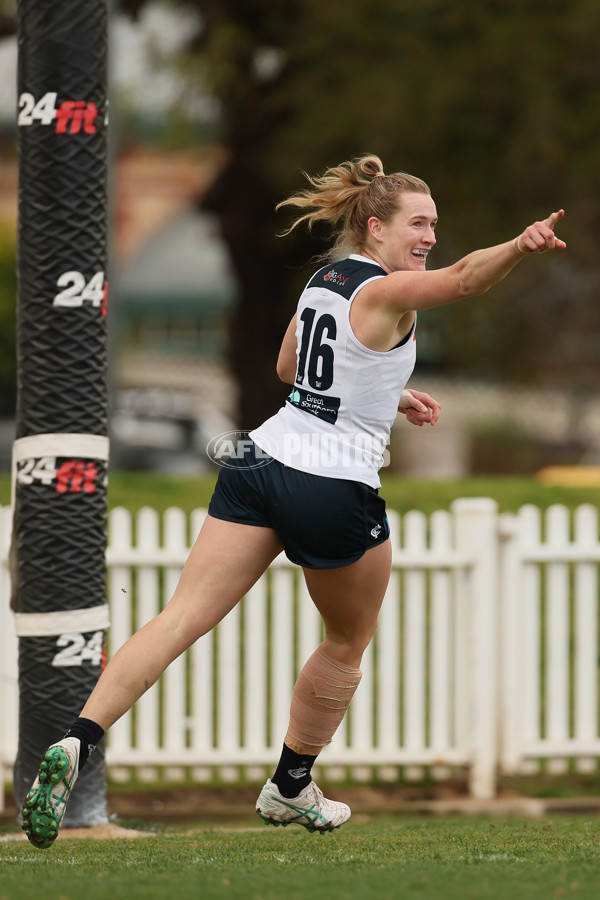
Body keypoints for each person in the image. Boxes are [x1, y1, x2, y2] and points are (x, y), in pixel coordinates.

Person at [21, 155, 565, 848]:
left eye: (435, 224)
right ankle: (290, 783)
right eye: (419, 224)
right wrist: (520, 246)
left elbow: (289, 369)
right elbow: (461, 281)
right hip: (330, 483)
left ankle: (75, 741)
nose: (430, 236)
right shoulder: (390, 290)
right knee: (346, 642)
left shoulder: (326, 280)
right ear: (376, 226)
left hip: (259, 460)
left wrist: (382, 394)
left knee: (178, 618)